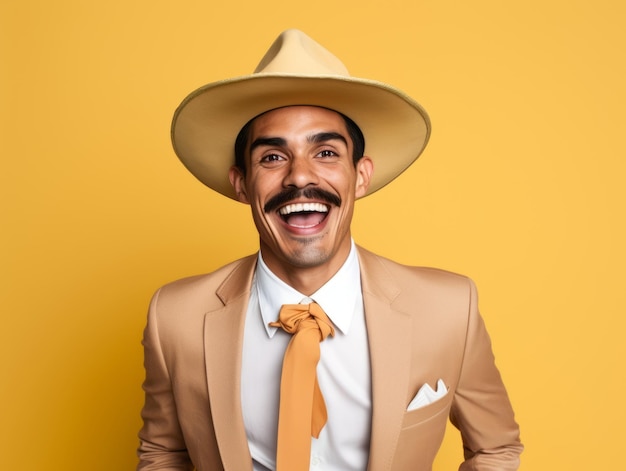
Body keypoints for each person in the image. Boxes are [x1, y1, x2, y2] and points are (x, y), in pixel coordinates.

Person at [137, 29, 522, 471]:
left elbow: (496, 448)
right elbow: (163, 453)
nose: (300, 177)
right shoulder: (175, 317)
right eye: (272, 157)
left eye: (324, 152)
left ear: (360, 176)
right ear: (241, 183)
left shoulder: (450, 308)